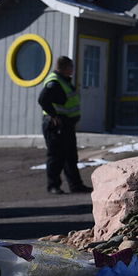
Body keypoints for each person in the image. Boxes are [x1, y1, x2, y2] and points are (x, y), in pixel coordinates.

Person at [38, 56, 90, 195]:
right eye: (70, 66)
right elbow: (43, 99)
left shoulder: (64, 81)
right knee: (56, 156)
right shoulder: (54, 82)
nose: (72, 69)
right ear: (64, 67)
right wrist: (53, 115)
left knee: (70, 156)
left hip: (66, 124)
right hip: (55, 125)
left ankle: (76, 185)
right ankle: (53, 185)